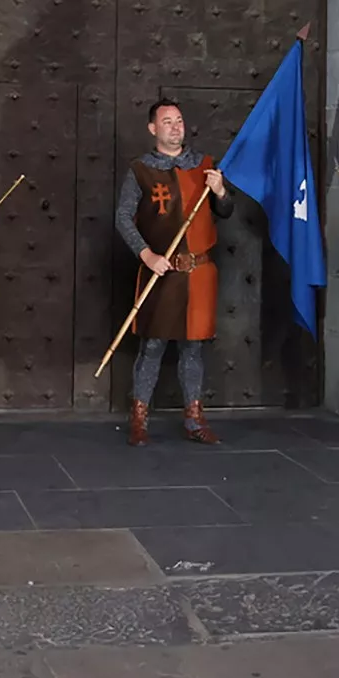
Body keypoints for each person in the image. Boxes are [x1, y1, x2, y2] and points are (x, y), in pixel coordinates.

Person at [114, 99, 233, 446]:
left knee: (193, 347)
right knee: (153, 345)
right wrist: (147, 255)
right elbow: (123, 217)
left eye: (179, 120)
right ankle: (139, 418)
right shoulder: (140, 170)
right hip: (162, 271)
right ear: (153, 128)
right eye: (167, 121)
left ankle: (194, 419)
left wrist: (221, 191)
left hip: (198, 272)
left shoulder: (205, 165)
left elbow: (226, 210)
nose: (175, 127)